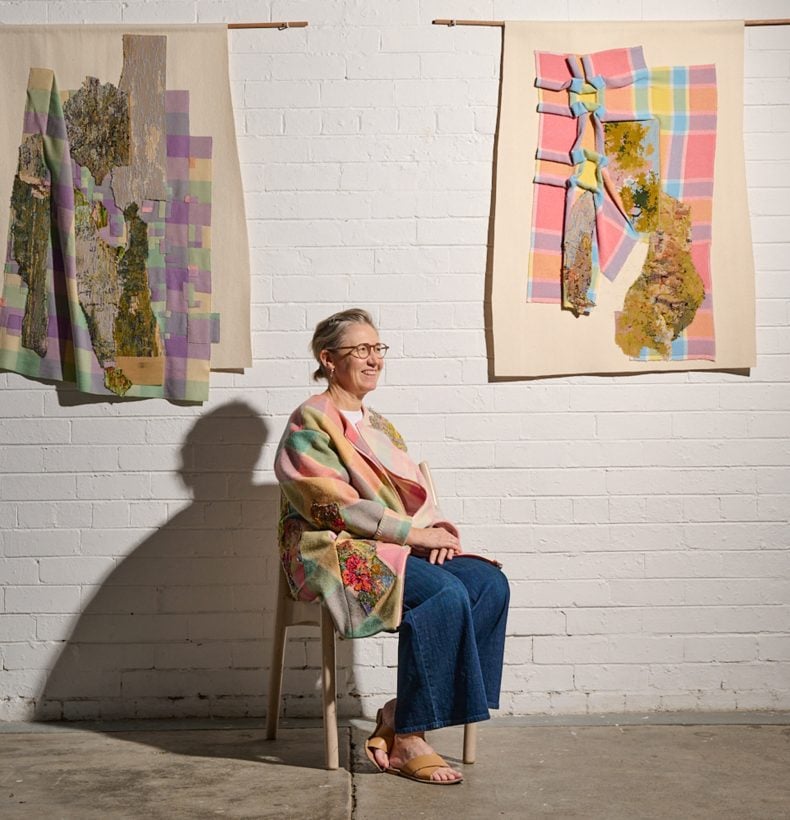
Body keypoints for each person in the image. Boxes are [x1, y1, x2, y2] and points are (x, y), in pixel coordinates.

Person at [274, 308, 509, 785]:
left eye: (378, 348)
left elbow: (410, 496)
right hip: (334, 548)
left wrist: (435, 531)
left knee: (487, 583)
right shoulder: (310, 420)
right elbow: (328, 505)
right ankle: (407, 741)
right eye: (360, 349)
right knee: (445, 594)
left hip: (392, 542)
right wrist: (411, 535)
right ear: (328, 359)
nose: (373, 358)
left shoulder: (379, 424)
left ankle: (400, 714)